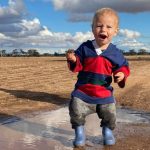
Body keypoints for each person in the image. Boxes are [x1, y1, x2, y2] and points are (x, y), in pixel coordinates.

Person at [66, 7, 130, 147]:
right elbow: (78, 63)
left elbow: (123, 66)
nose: (103, 29)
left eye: (108, 27)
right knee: (75, 109)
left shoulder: (115, 52)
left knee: (110, 114)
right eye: (99, 25)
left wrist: (121, 74)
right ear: (92, 28)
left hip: (104, 93)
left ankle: (107, 132)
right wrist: (73, 59)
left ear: (115, 31)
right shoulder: (85, 47)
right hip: (83, 91)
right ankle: (79, 132)